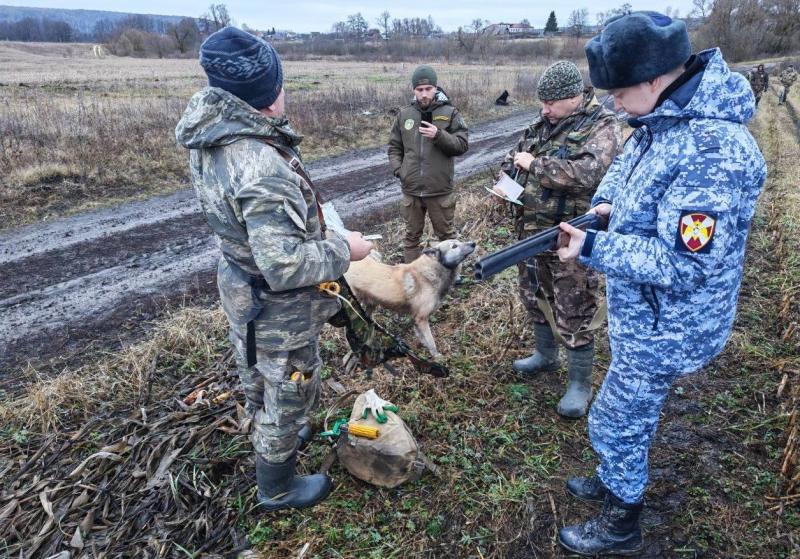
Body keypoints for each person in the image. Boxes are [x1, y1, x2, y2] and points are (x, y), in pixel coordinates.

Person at [555, 12, 766, 555]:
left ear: (653, 78)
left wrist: (594, 247)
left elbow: (685, 265)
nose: (614, 105)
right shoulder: (663, 121)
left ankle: (621, 525)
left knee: (619, 419)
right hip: (643, 310)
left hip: (670, 322)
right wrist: (605, 209)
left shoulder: (711, 150)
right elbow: (624, 175)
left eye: (620, 93)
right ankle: (614, 480)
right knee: (625, 413)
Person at [175, 27, 373, 512]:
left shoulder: (211, 134)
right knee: (288, 388)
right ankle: (277, 486)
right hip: (277, 303)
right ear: (267, 93)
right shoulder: (259, 164)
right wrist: (347, 248)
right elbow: (285, 265)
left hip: (244, 290)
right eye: (280, 82)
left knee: (258, 376)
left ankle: (278, 434)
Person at [497, 61, 622, 418]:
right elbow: (515, 157)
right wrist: (506, 181)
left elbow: (590, 173)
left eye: (551, 103)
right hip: (532, 234)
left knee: (575, 307)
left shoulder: (603, 126)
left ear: (574, 97)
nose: (544, 109)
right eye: (543, 102)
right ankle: (545, 355)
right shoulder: (542, 124)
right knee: (534, 295)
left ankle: (579, 385)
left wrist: (535, 165)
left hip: (572, 237)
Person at [388, 65, 469, 263]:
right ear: (413, 90)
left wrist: (438, 135)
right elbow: (394, 147)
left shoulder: (450, 113)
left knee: (447, 237)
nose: (424, 94)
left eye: (428, 89)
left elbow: (462, 145)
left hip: (439, 190)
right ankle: (411, 275)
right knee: (411, 237)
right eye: (419, 90)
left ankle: (452, 274)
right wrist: (400, 170)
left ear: (436, 88)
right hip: (412, 190)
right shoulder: (404, 114)